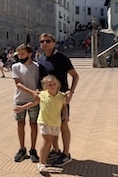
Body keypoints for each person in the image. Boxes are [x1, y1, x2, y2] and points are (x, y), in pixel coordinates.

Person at [38, 33, 79, 167]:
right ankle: (55, 150)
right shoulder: (41, 59)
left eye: (48, 41)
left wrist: (71, 92)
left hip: (61, 98)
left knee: (63, 125)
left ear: (54, 43)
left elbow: (75, 76)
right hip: (47, 99)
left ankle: (66, 154)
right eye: (42, 41)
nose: (45, 43)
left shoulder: (62, 58)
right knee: (52, 124)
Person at [14, 75, 69, 174]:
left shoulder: (61, 96)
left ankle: (46, 158)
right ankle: (41, 163)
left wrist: (66, 115)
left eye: (54, 84)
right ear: (45, 86)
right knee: (47, 141)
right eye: (49, 85)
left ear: (58, 85)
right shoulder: (42, 94)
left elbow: (63, 106)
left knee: (51, 140)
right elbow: (33, 103)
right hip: (44, 121)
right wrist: (21, 108)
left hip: (56, 122)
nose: (52, 86)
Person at [12, 43, 40, 163]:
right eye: (19, 54)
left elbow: (39, 81)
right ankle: (22, 148)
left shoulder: (37, 67)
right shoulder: (16, 67)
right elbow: (17, 83)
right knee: (20, 124)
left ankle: (33, 149)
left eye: (22, 54)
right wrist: (32, 92)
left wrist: (37, 92)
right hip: (20, 99)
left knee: (33, 124)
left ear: (29, 54)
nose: (20, 56)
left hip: (34, 101)